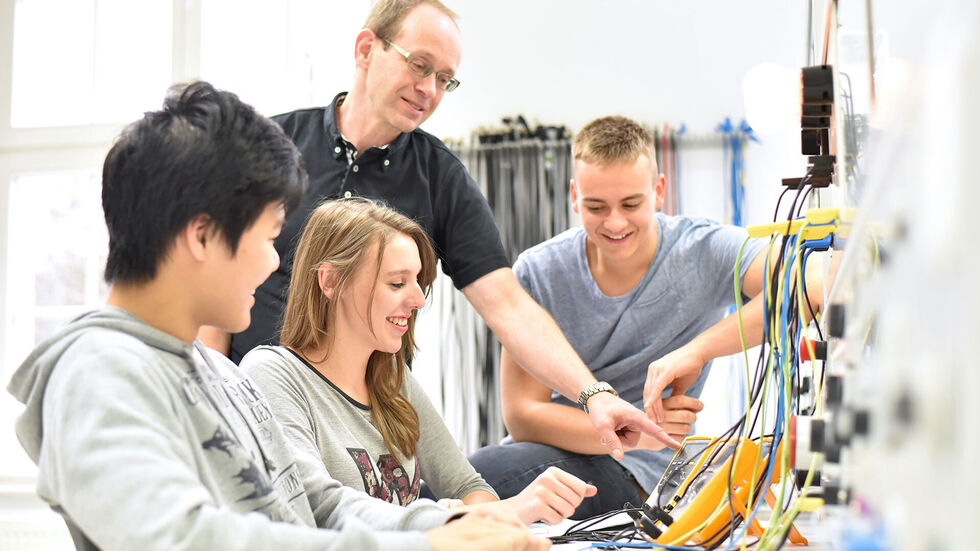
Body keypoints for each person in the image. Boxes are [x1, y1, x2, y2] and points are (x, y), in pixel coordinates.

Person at [6, 81, 548, 551]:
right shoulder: (97, 372)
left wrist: (450, 525)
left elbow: (316, 502)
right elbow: (181, 539)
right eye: (269, 238)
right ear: (201, 236)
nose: (274, 262)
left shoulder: (220, 373)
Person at [197, 0, 676, 458]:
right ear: (367, 49)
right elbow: (218, 286)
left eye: (445, 78)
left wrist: (593, 395)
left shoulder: (440, 177)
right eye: (420, 65)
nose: (430, 89)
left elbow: (507, 305)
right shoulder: (271, 146)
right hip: (255, 410)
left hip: (365, 430)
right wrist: (211, 404)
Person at [468, 115, 795, 518]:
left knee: (466, 488)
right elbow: (522, 416)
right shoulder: (539, 270)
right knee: (461, 483)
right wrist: (632, 434)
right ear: (574, 196)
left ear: (659, 191)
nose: (615, 222)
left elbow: (807, 285)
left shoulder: (705, 251)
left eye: (631, 204)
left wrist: (695, 350)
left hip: (641, 474)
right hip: (545, 451)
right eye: (595, 207)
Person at [240, 197, 597, 525]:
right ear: (330, 281)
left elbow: (466, 485)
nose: (418, 300)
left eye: (417, 282)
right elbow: (317, 503)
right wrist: (463, 517)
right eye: (397, 283)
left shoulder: (392, 377)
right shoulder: (272, 374)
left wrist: (473, 513)